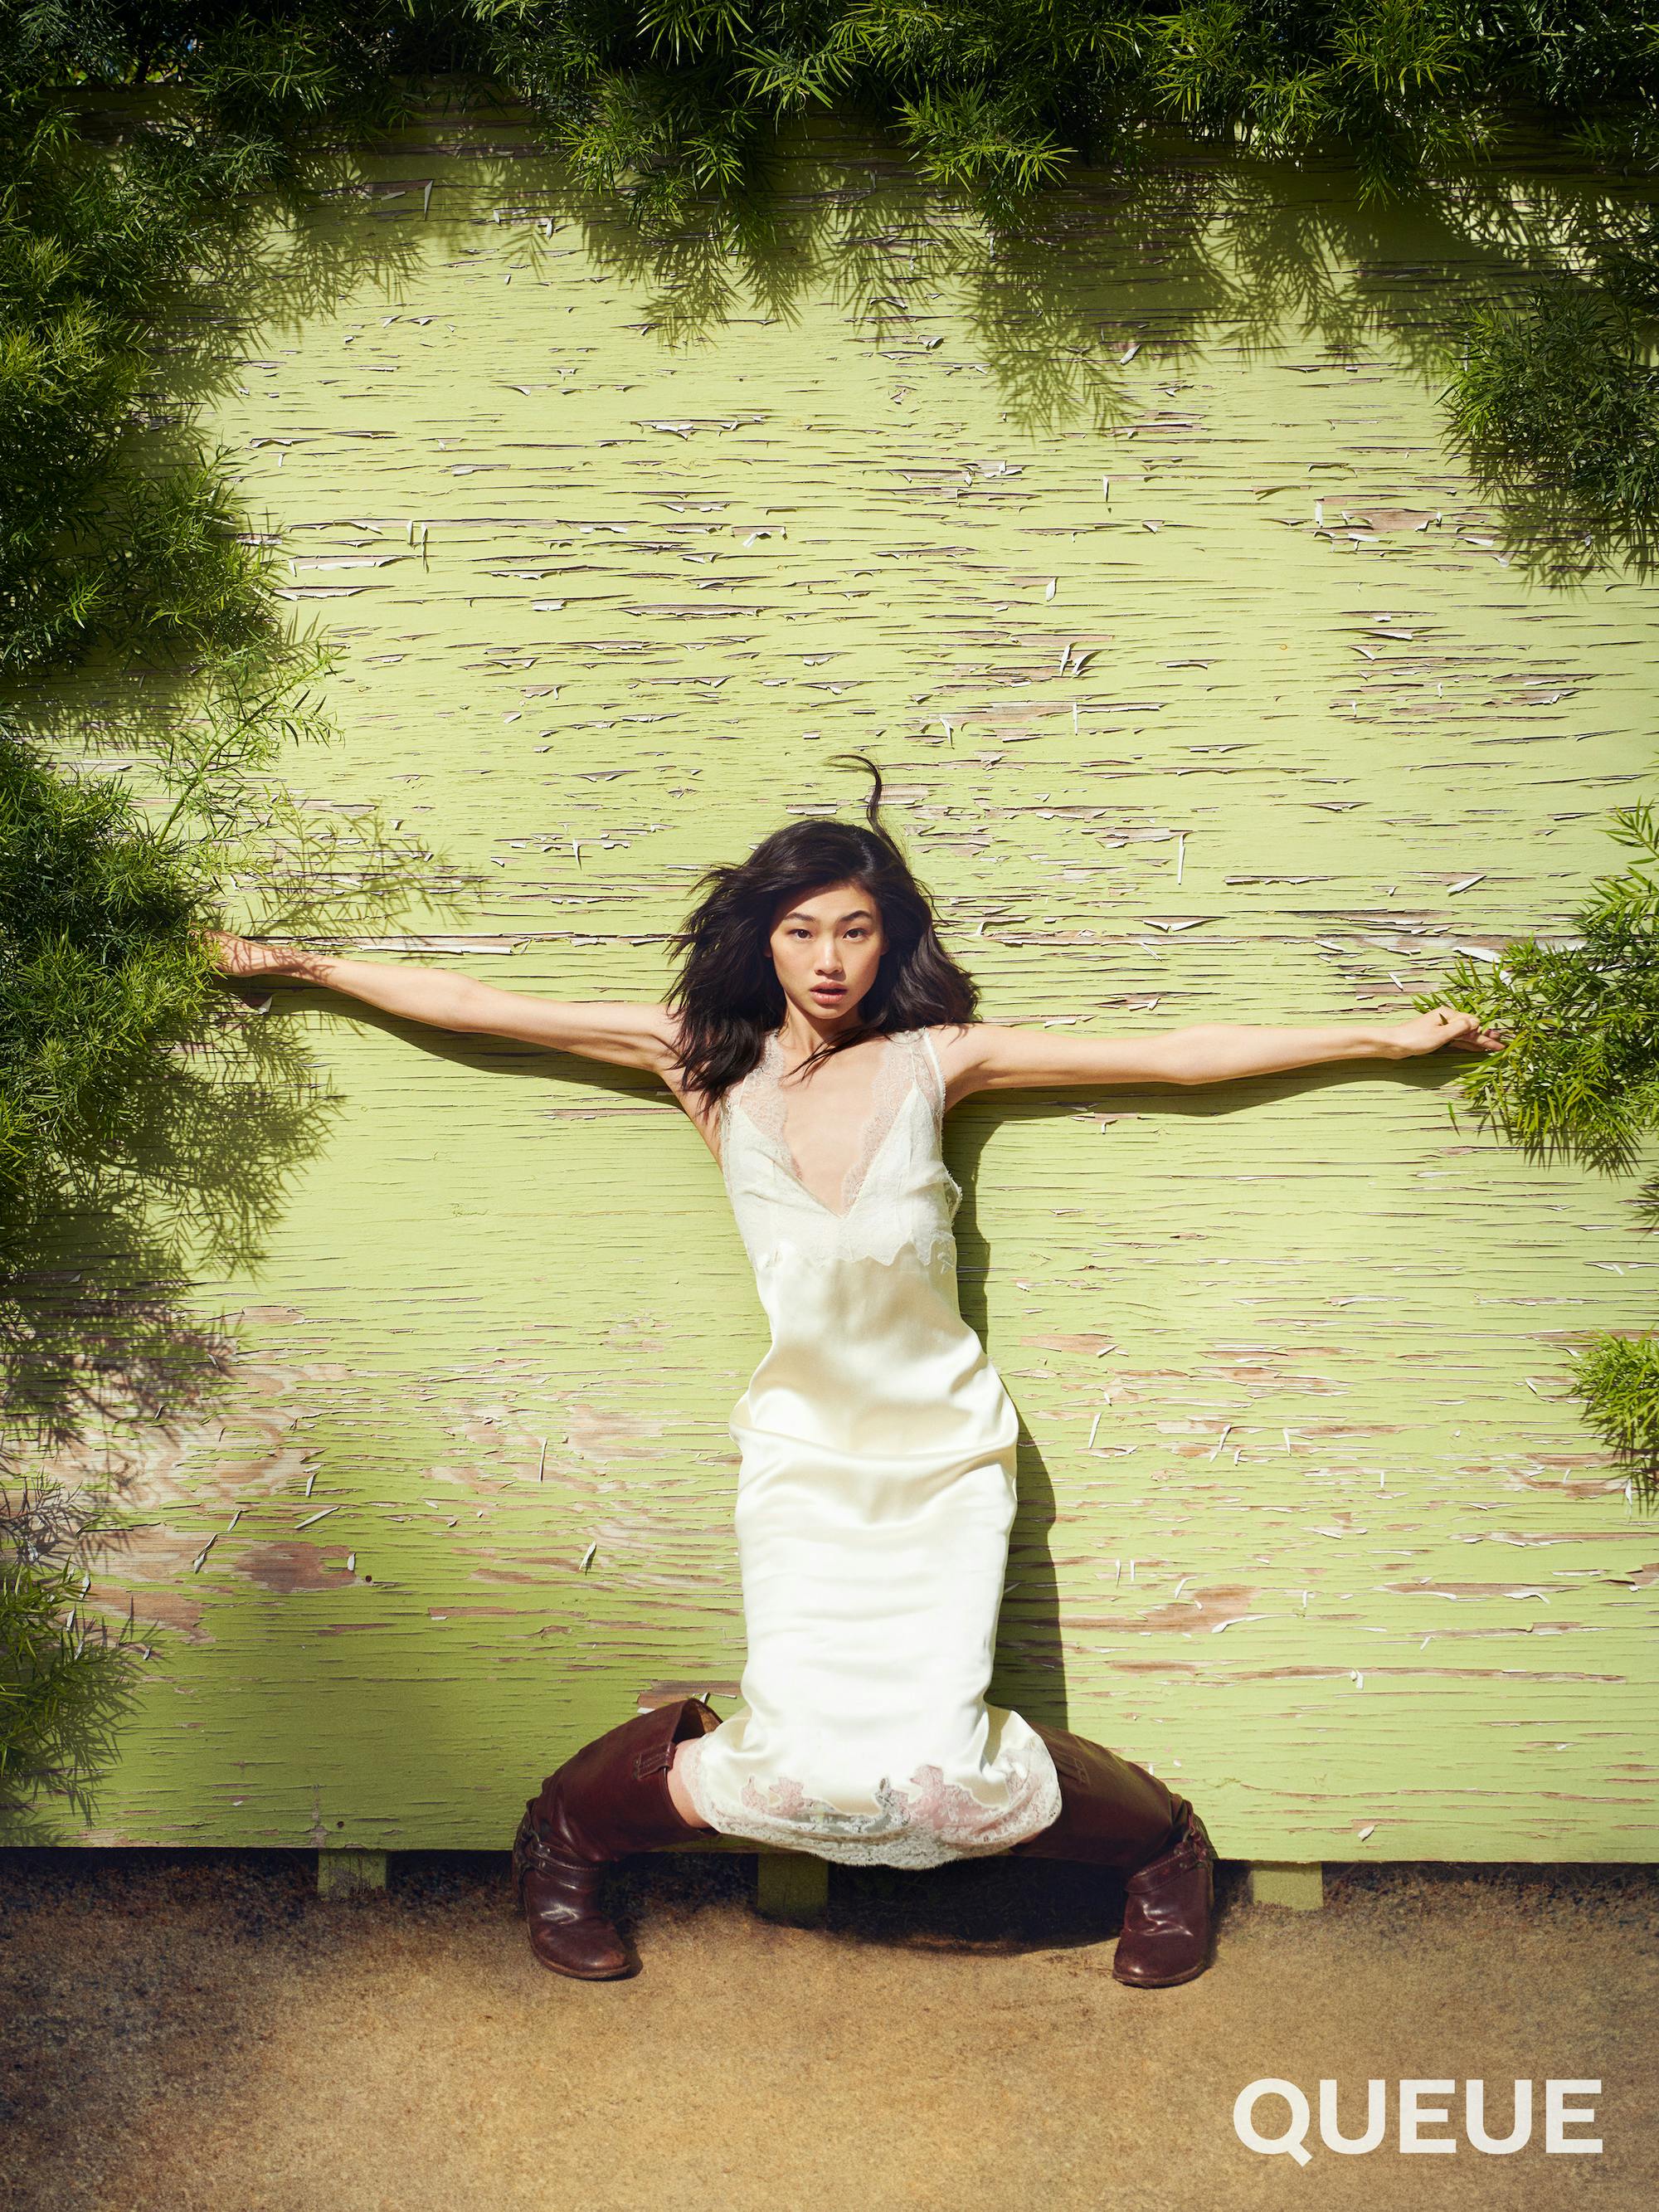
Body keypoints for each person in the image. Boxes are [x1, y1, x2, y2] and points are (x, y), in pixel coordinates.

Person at [207, 761, 1502, 1990]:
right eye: (803, 932)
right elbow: (488, 1007)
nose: (831, 960)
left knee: (938, 1766)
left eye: (858, 931)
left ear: (893, 941)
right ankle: (565, 1837)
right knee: (795, 1763)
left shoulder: (941, 1059)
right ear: (763, 940)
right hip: (803, 1459)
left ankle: (1163, 1848)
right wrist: (306, 967)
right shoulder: (701, 1060)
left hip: (941, 1454)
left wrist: (1387, 1039)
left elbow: (1170, 1051)